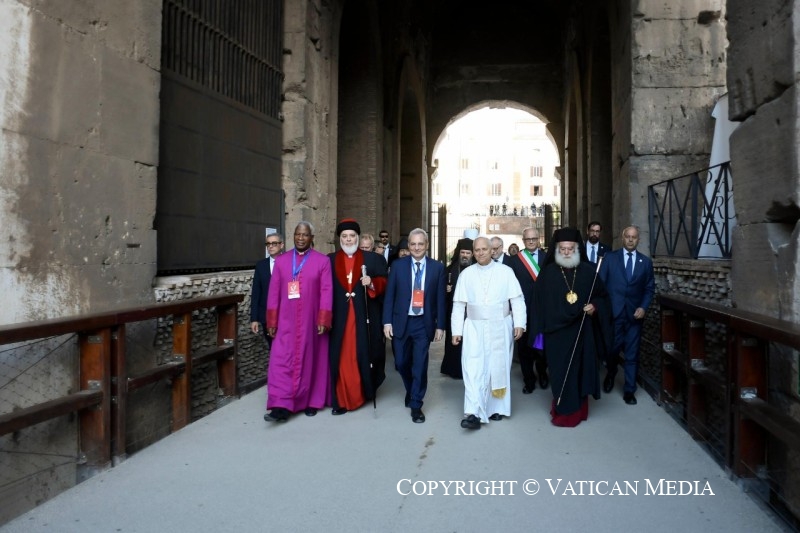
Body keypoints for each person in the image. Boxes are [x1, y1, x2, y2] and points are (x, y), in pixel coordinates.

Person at [530, 227, 610, 427]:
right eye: (563, 249)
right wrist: (539, 334)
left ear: (577, 249)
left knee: (580, 372)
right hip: (556, 335)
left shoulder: (588, 272)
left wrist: (594, 306)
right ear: (557, 249)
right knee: (560, 374)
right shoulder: (547, 274)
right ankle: (562, 409)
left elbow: (603, 297)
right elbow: (537, 305)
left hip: (582, 332)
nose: (566, 252)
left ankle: (578, 411)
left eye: (570, 249)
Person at [451, 237, 526, 429]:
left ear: (491, 250)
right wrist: (456, 330)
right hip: (474, 328)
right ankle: (473, 412)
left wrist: (520, 323)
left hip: (500, 325)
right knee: (472, 368)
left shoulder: (505, 272)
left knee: (497, 367)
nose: (480, 253)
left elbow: (517, 300)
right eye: (477, 250)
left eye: (484, 249)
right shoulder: (466, 274)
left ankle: (496, 408)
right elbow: (459, 304)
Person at [263, 222, 333, 422]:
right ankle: (280, 406)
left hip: (311, 322)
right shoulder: (282, 261)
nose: (301, 238)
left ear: (312, 238)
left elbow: (326, 291)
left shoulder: (322, 261)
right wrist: (272, 322)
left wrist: (324, 318)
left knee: (310, 361)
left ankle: (311, 401)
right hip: (286, 322)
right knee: (280, 362)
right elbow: (273, 293)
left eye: (305, 235)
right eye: (297, 234)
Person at [383, 228, 446, 424]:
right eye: (413, 244)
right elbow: (390, 295)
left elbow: (441, 299)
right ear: (408, 246)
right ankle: (411, 390)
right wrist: (387, 321)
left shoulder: (437, 268)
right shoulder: (398, 266)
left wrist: (440, 325)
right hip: (401, 321)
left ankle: (416, 404)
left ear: (427, 245)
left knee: (420, 364)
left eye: (420, 244)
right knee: (401, 362)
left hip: (423, 323)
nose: (417, 247)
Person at [328, 219, 388, 415]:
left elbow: (385, 283)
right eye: (344, 236)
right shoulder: (330, 260)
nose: (348, 239)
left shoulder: (373, 259)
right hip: (340, 319)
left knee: (361, 354)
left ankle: (361, 393)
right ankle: (342, 399)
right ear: (339, 239)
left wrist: (371, 283)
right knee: (342, 356)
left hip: (364, 317)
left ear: (358, 237)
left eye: (352, 236)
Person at [598, 225, 655, 405]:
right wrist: (604, 309)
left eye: (634, 237)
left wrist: (643, 307)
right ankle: (611, 373)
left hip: (634, 316)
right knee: (612, 350)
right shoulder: (610, 258)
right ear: (622, 238)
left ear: (638, 240)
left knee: (632, 354)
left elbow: (649, 289)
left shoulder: (645, 262)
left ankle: (629, 390)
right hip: (614, 315)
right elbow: (601, 286)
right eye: (628, 236)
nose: (630, 240)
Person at [508, 226, 549, 393]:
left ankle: (542, 373)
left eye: (534, 238)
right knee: (524, 348)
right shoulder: (514, 261)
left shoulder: (548, 258)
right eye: (528, 239)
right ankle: (529, 380)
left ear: (539, 239)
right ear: (523, 241)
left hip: (542, 311)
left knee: (541, 346)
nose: (531, 241)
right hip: (522, 311)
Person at [440, 237, 474, 379]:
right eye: (462, 252)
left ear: (472, 254)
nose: (465, 255)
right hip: (454, 312)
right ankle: (454, 369)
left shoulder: (477, 269)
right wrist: (445, 290)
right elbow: (440, 290)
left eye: (468, 253)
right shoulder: (450, 269)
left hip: (472, 313)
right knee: (454, 340)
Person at [250, 232, 284, 347]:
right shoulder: (261, 265)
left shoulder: (290, 263)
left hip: (286, 314)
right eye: (268, 244)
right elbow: (256, 293)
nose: (270, 246)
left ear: (281, 245)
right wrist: (254, 319)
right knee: (272, 347)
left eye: (274, 243)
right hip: (267, 315)